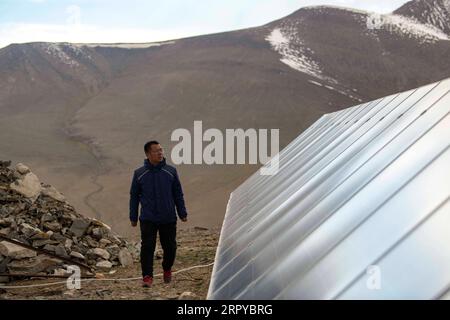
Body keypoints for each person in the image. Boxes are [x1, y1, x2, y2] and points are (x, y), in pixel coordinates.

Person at [129, 140, 188, 287]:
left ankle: (167, 268)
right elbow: (134, 196)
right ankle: (147, 276)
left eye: (161, 150)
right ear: (148, 154)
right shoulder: (139, 174)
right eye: (156, 151)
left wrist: (182, 212)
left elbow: (178, 194)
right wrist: (133, 217)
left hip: (168, 217)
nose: (160, 153)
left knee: (170, 247)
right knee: (147, 247)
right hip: (148, 218)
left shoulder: (171, 171)